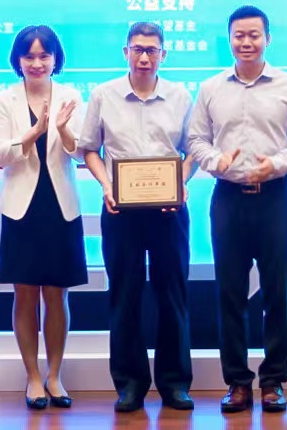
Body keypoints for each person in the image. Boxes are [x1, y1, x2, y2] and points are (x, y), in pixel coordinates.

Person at [186, 5, 287, 413]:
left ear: (267, 39)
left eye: (254, 35)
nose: (246, 42)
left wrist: (275, 164)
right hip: (227, 199)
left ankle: (273, 381)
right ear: (229, 39)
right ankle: (238, 383)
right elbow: (195, 140)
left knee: (278, 292)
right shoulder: (210, 88)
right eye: (239, 35)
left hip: (274, 196)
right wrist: (215, 161)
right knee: (230, 294)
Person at [77, 22, 196, 413]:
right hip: (120, 209)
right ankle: (129, 385)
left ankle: (175, 384)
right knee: (124, 296)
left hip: (169, 210)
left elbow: (193, 149)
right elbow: (89, 149)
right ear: (125, 52)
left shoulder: (180, 96)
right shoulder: (103, 94)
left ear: (164, 54)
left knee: (172, 294)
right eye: (138, 49)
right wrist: (106, 184)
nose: (144, 57)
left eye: (152, 50)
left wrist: (181, 181)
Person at [0, 25, 87, 409]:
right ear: (18, 59)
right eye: (29, 56)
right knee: (25, 294)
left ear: (55, 58)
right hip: (21, 208)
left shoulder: (71, 96)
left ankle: (55, 376)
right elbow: (0, 154)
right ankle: (32, 376)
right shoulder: (5, 99)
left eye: (44, 56)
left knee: (57, 294)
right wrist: (33, 132)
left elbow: (81, 151)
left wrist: (61, 129)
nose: (36, 63)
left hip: (61, 206)